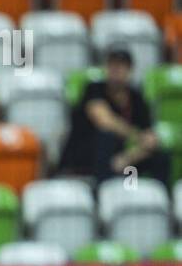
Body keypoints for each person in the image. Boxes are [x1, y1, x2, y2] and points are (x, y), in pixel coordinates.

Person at [60, 47, 170, 185]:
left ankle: (158, 197)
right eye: (112, 65)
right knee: (106, 138)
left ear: (130, 69)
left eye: (121, 66)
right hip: (87, 157)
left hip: (121, 159)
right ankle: (103, 193)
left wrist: (127, 158)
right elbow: (104, 121)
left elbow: (150, 138)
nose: (116, 70)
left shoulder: (136, 97)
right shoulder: (94, 89)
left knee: (161, 156)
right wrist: (137, 136)